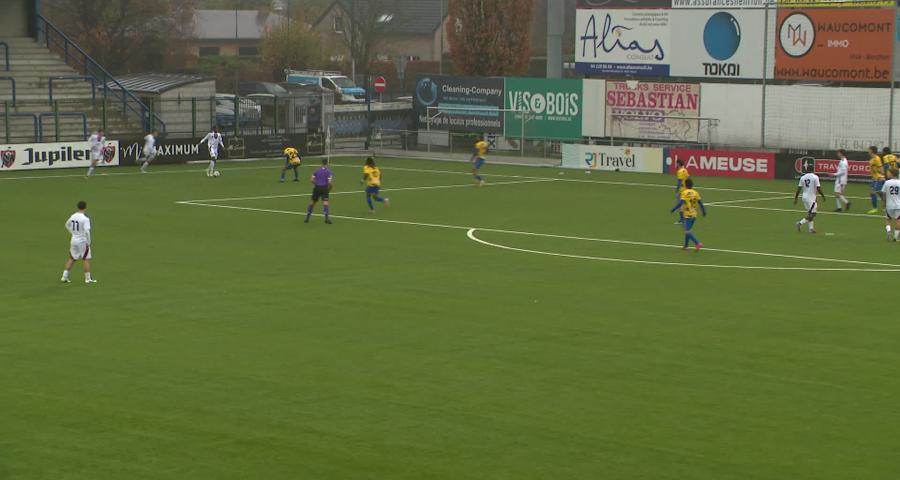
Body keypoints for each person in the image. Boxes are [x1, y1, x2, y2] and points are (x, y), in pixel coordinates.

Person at [61, 201, 97, 284]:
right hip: (82, 241)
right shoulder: (85, 219)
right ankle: (88, 279)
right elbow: (87, 231)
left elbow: (67, 224)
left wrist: (73, 233)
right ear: (85, 207)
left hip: (73, 240)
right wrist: (89, 241)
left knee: (72, 258)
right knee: (86, 259)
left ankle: (64, 277)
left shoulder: (73, 216)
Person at [670, 178, 706, 251]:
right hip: (694, 215)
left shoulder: (684, 192)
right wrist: (704, 211)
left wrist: (674, 209)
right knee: (688, 230)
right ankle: (686, 246)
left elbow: (680, 203)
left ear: (685, 185)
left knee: (687, 231)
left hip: (688, 215)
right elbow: (700, 203)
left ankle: (697, 243)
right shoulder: (696, 192)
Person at [794, 162, 827, 234]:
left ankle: (811, 229)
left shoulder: (803, 177)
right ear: (813, 169)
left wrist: (796, 198)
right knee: (813, 214)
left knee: (810, 213)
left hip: (804, 197)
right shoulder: (815, 177)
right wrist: (823, 196)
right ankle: (799, 223)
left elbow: (798, 189)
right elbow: (818, 188)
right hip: (811, 198)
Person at [305, 158, 333, 224]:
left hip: (317, 188)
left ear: (322, 163)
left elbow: (311, 180)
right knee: (325, 203)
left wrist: (317, 184)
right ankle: (326, 219)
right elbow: (329, 182)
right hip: (324, 188)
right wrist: (330, 188)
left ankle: (307, 218)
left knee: (312, 202)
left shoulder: (316, 170)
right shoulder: (329, 171)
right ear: (327, 163)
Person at [880, 169, 900, 241]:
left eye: (889, 173)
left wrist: (884, 203)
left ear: (892, 174)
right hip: (898, 205)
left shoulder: (887, 183)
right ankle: (895, 237)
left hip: (889, 205)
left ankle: (889, 232)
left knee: (888, 219)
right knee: (898, 220)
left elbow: (884, 194)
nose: (888, 174)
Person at [867, 146, 885, 214]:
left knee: (873, 192)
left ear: (872, 151)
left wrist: (882, 176)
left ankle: (875, 208)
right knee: (879, 193)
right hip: (874, 178)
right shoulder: (872, 158)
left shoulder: (877, 158)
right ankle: (886, 205)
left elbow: (881, 168)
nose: (868, 151)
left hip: (878, 178)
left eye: (869, 150)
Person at [675, 158, 690, 224]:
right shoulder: (685, 170)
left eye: (676, 163)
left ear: (678, 163)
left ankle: (681, 220)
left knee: (680, 205)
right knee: (685, 205)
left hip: (681, 191)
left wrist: (676, 190)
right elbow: (688, 179)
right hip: (686, 190)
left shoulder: (680, 171)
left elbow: (679, 181)